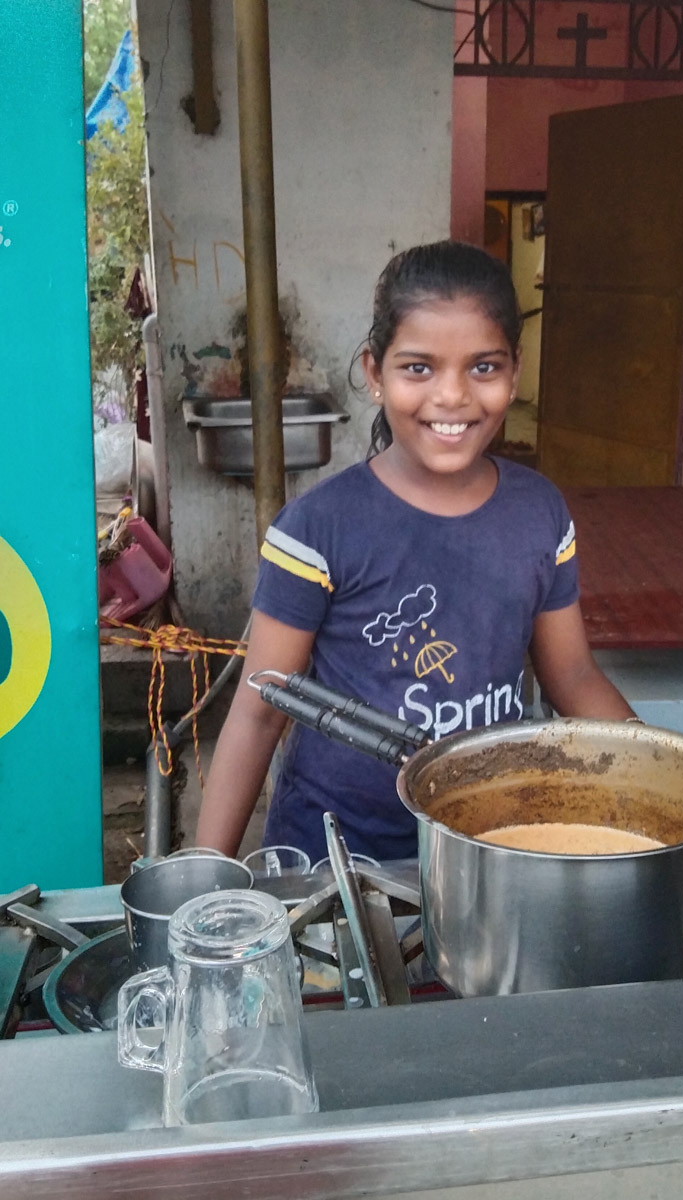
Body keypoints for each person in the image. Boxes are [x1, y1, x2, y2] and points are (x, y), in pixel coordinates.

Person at [195, 240, 636, 864]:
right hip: (339, 862)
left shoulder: (540, 514)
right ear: (375, 373)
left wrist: (649, 767)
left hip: (490, 849)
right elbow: (260, 711)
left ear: (514, 372)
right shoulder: (318, 530)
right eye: (419, 368)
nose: (452, 396)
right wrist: (203, 878)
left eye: (483, 367)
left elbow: (572, 675)